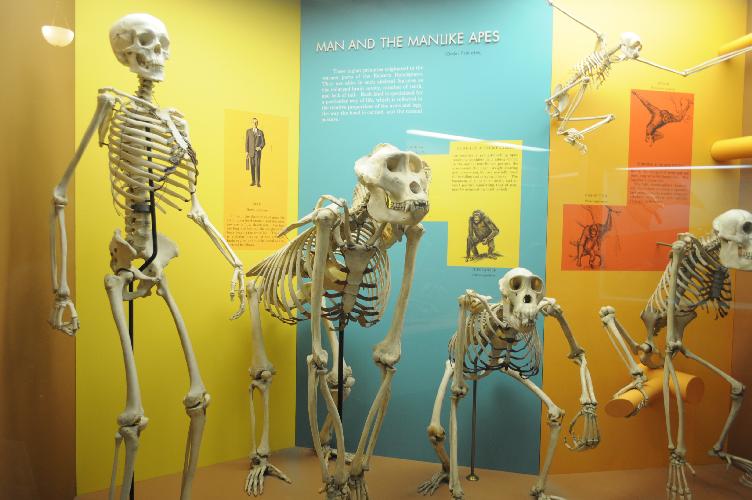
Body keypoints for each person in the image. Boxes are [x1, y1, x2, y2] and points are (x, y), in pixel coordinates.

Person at [245, 117, 266, 186]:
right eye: (253, 122)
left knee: (257, 167)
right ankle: (253, 181)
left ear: (257, 123)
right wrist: (246, 151)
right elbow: (246, 142)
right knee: (252, 167)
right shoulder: (248, 131)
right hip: (251, 152)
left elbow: (263, 142)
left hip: (257, 153)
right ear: (252, 123)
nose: (255, 124)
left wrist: (260, 147)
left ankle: (258, 182)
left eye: (256, 122)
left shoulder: (260, 132)